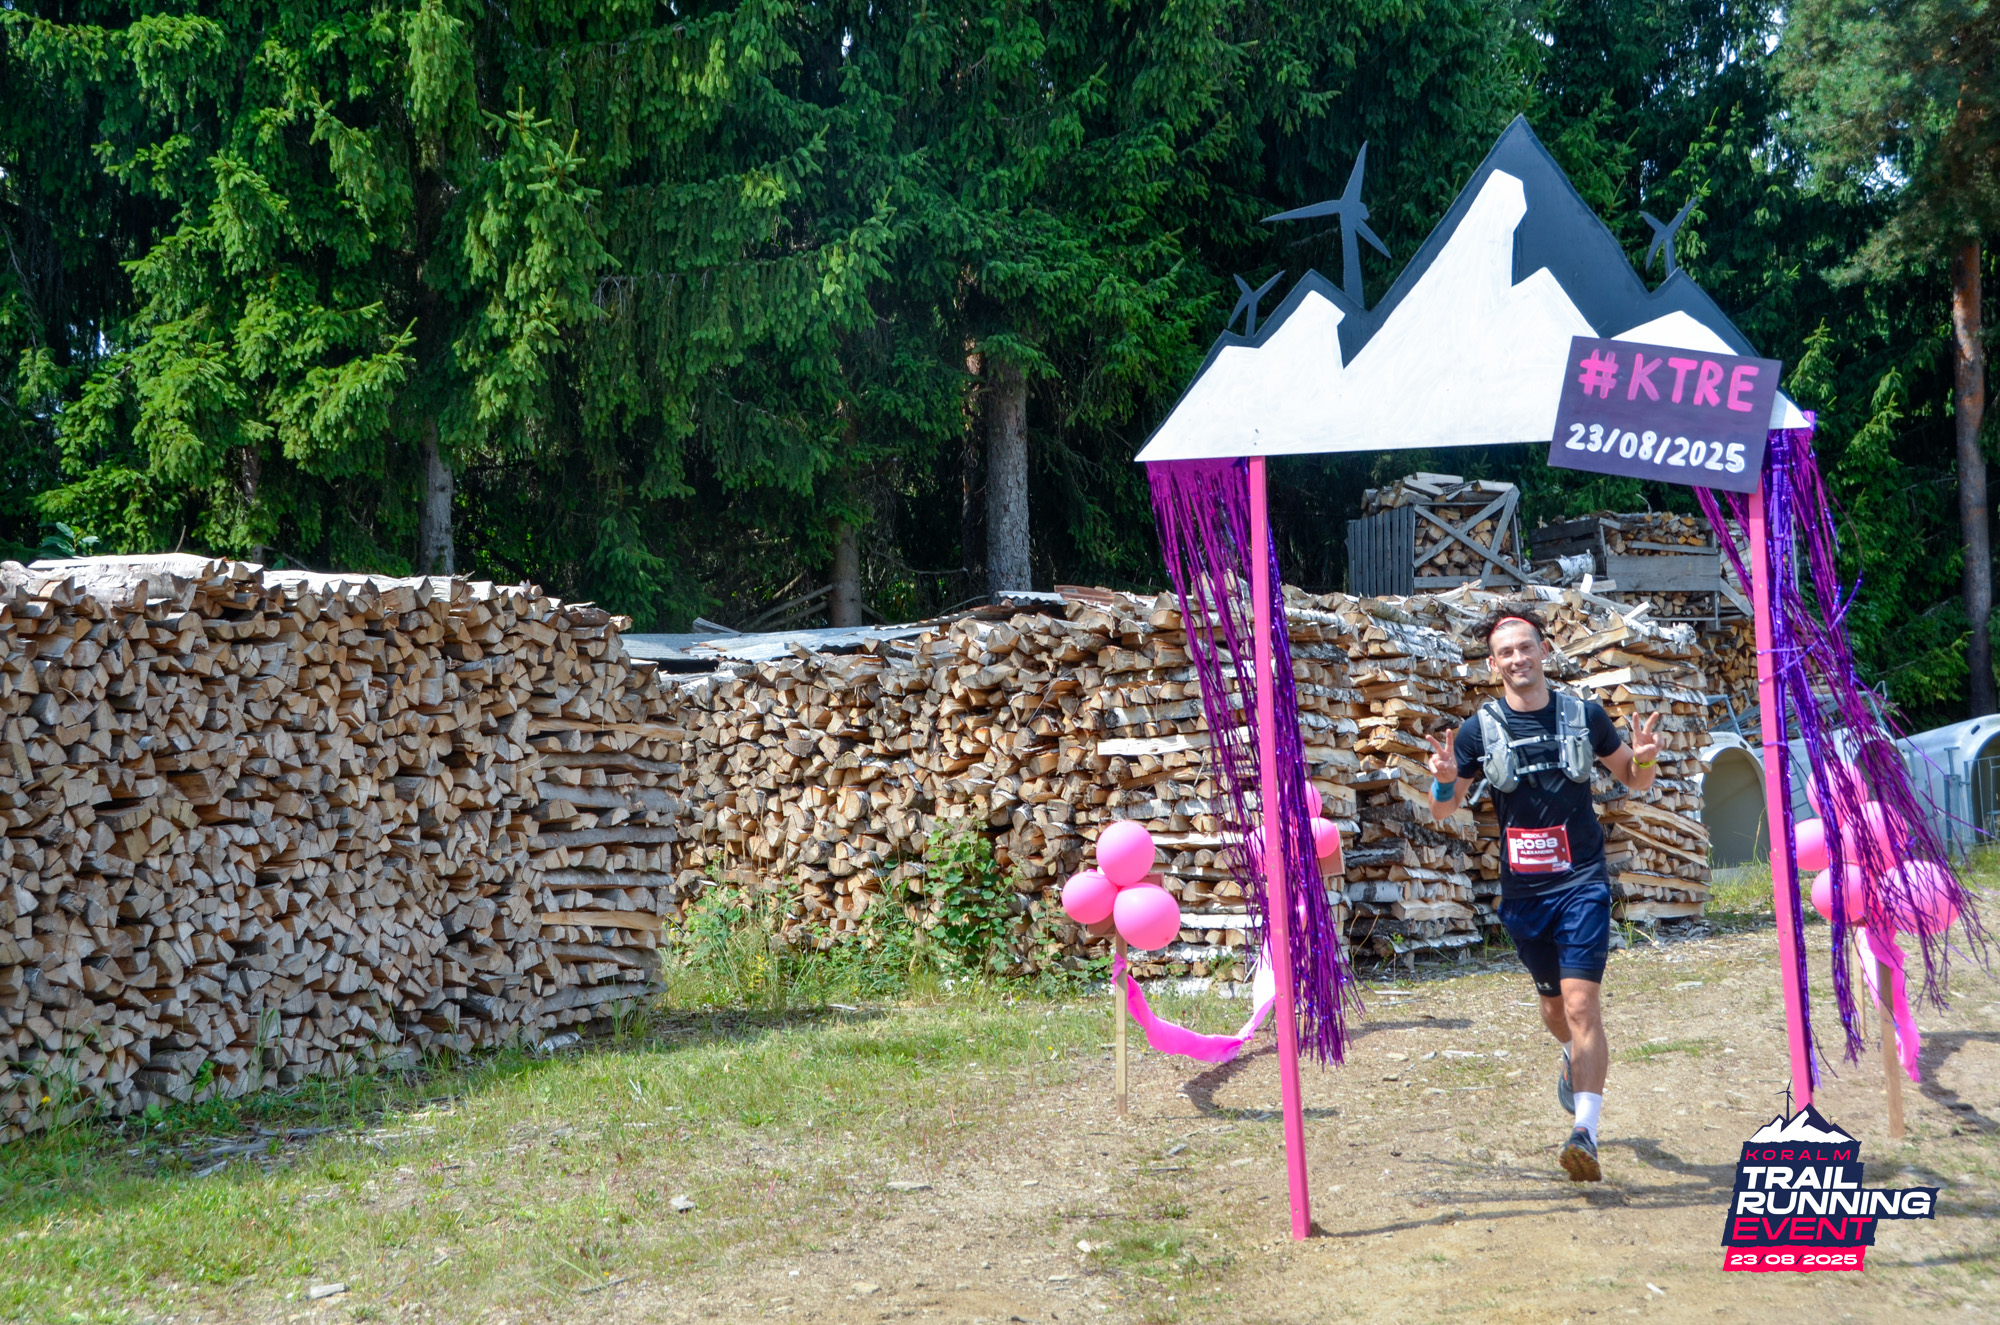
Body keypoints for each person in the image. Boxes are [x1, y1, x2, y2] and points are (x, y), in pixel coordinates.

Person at [1423, 606, 1659, 1183]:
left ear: (1543, 651)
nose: (1517, 659)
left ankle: (1585, 1132)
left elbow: (1633, 778)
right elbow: (1442, 809)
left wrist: (1646, 757)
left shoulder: (1584, 714)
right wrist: (1445, 779)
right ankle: (1571, 1056)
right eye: (1505, 652)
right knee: (1555, 1010)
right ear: (1492, 663)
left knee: (1581, 1006)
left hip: (1581, 881)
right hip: (1524, 895)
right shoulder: (1478, 730)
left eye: (1525, 647)